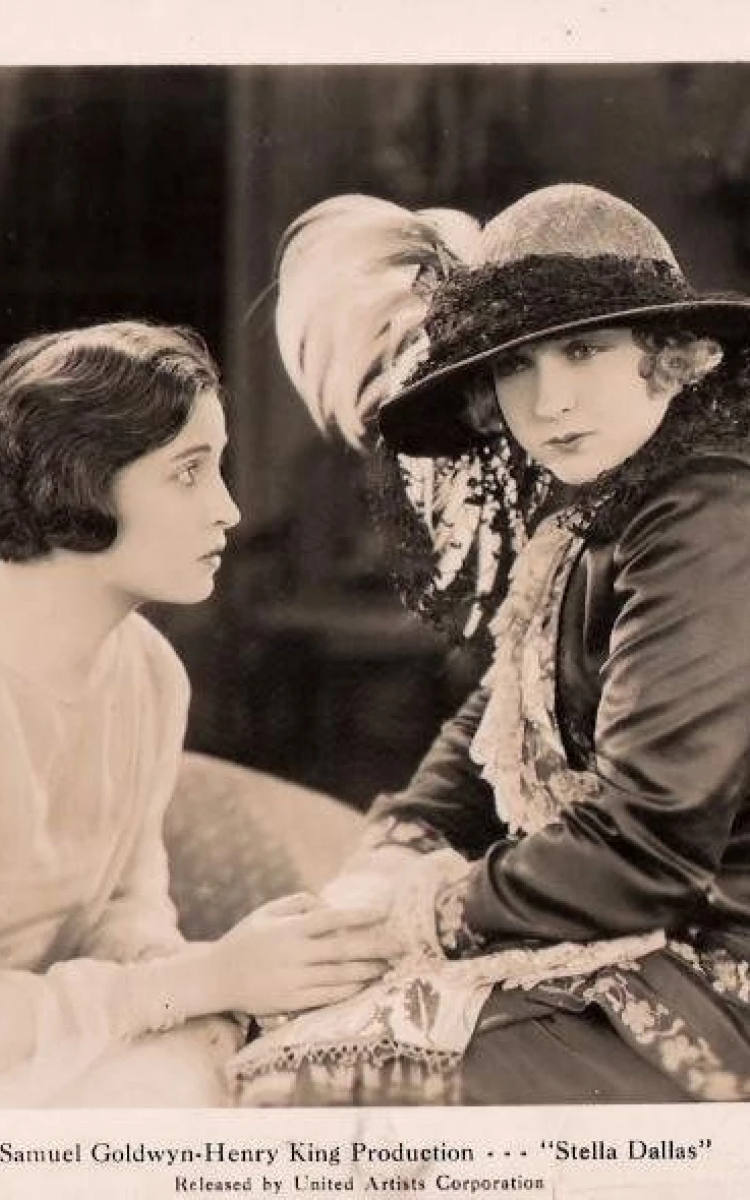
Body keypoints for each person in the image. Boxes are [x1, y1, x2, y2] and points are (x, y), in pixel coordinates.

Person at [228, 183, 750, 1105]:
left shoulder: (707, 514)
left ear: (668, 357)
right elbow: (502, 715)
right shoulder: (598, 515)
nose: (550, 401)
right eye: (516, 366)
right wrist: (396, 852)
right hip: (642, 942)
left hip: (718, 972)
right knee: (271, 1023)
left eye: (584, 350)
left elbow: (646, 853)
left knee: (305, 1084)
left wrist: (415, 914)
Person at [0, 319, 395, 1107]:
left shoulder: (148, 671)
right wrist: (206, 979)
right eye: (189, 472)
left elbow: (127, 919)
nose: (228, 509)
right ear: (81, 478)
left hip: (51, 1058)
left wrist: (234, 985)